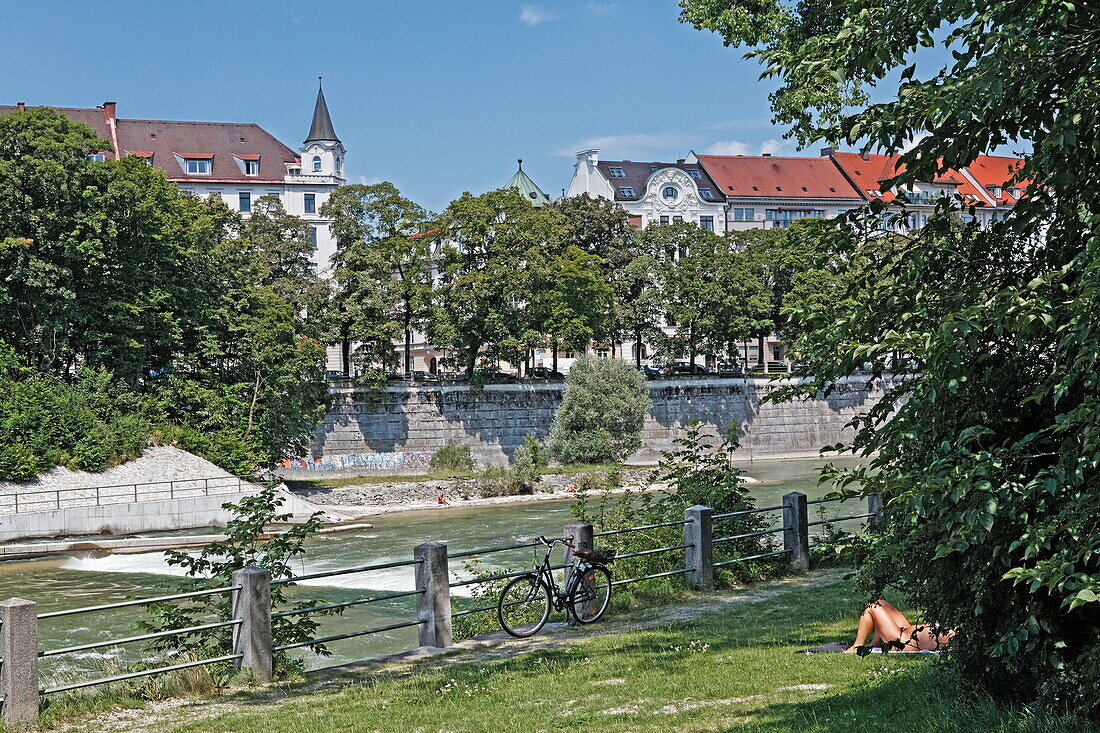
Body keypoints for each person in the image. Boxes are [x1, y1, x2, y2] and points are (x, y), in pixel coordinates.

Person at [845, 599, 954, 653]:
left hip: (901, 641)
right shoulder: (962, 631)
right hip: (907, 631)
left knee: (871, 608)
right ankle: (875, 643)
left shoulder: (956, 640)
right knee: (879, 602)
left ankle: (857, 646)